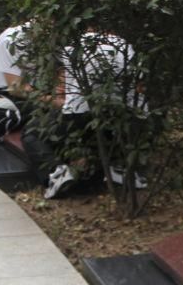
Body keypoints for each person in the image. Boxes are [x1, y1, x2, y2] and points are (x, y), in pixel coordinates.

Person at [26, 30, 145, 199]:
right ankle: (121, 166)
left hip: (83, 117)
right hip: (127, 117)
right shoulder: (126, 47)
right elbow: (139, 87)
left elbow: (65, 92)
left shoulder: (73, 47)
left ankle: (56, 174)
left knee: (33, 132)